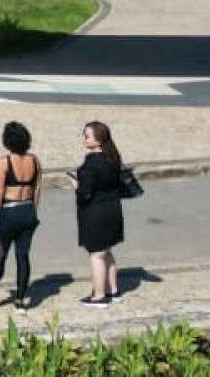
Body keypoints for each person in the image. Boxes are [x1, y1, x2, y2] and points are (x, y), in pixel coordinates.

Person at [0, 121, 41, 310]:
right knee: (23, 255)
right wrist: (33, 211)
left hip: (9, 211)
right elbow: (37, 188)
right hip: (28, 210)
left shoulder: (4, 161)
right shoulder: (34, 160)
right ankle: (21, 299)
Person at [74, 121, 125, 306]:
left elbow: (85, 193)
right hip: (113, 210)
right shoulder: (113, 158)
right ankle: (114, 290)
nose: (84, 139)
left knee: (96, 255)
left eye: (87, 136)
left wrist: (75, 185)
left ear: (98, 140)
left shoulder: (91, 162)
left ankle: (99, 295)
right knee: (107, 251)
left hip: (96, 213)